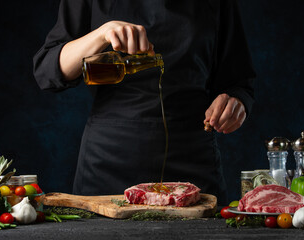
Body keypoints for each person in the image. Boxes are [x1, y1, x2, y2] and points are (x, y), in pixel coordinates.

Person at [33, 0, 255, 205]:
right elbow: (47, 69)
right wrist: (101, 34)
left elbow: (238, 82)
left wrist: (236, 101)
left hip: (193, 162)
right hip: (108, 164)